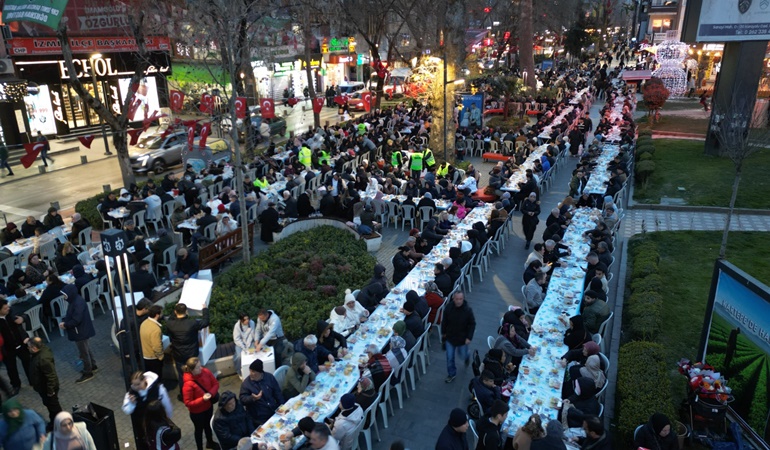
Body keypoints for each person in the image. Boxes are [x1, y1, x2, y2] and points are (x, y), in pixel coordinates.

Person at [122, 371, 174, 450]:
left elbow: (167, 405)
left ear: (144, 380)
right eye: (133, 384)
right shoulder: (131, 393)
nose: (136, 387)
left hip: (157, 425)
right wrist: (132, 404)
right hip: (141, 427)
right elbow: (126, 410)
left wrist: (168, 419)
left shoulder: (158, 389)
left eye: (138, 384)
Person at [167, 303, 210, 394]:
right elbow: (205, 322)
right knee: (195, 373)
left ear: (175, 312)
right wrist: (205, 309)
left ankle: (184, 394)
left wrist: (175, 309)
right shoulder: (192, 323)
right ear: (186, 312)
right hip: (192, 354)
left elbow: (171, 318)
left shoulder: (170, 324)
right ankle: (198, 392)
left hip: (178, 354)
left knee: (182, 375)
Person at [59, 284, 97, 383]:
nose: (64, 297)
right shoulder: (77, 300)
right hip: (82, 330)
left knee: (84, 352)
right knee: (86, 349)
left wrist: (66, 325)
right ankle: (93, 365)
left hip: (79, 331)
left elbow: (76, 320)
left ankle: (88, 372)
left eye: (65, 295)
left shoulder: (76, 303)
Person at [181, 357, 220, 450]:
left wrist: (210, 394)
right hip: (197, 413)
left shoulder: (205, 371)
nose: (201, 368)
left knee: (208, 426)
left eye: (200, 365)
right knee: (199, 430)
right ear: (191, 370)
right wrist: (202, 399)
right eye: (198, 367)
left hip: (208, 407)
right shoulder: (188, 384)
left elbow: (215, 384)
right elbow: (188, 403)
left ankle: (210, 442)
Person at [441, 291, 476, 383]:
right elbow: (444, 321)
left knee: (463, 354)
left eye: (460, 299)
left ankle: (467, 356)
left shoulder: (467, 310)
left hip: (462, 339)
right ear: (454, 299)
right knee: (449, 358)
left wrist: (469, 337)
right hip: (450, 338)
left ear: (463, 299)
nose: (459, 301)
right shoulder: (448, 308)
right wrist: (443, 333)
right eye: (457, 299)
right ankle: (451, 374)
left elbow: (472, 324)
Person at [239, 359, 284, 428]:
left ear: (260, 372)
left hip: (273, 411)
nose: (250, 373)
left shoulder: (269, 377)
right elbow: (242, 400)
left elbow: (278, 393)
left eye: (253, 371)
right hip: (259, 418)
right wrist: (252, 398)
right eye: (250, 370)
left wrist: (282, 407)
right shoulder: (246, 384)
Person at [0, 299, 31, 393]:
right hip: (7, 348)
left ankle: (32, 380)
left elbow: (25, 315)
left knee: (27, 361)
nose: (8, 309)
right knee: (11, 368)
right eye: (5, 308)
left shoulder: (11, 312)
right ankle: (16, 385)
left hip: (20, 343)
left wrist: (22, 318)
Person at [117, 298, 150, 367]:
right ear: (144, 309)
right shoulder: (129, 320)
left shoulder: (140, 316)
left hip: (138, 346)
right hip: (132, 348)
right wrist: (126, 352)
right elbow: (122, 336)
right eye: (148, 310)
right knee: (133, 367)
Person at [140, 305, 165, 378]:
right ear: (157, 315)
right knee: (156, 378)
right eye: (161, 313)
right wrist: (161, 356)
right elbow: (157, 346)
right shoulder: (156, 329)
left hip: (145, 356)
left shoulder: (144, 323)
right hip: (153, 358)